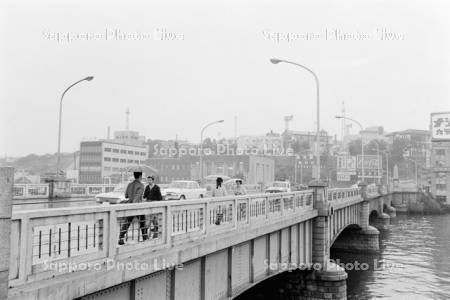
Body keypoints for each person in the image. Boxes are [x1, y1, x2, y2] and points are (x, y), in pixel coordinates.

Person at [118, 172, 147, 245]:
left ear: (134, 176)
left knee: (127, 222)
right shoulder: (141, 185)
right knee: (143, 221)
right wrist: (135, 204)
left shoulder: (129, 184)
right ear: (140, 176)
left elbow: (126, 196)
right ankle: (145, 238)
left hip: (129, 205)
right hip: (137, 207)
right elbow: (138, 196)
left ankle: (120, 238)